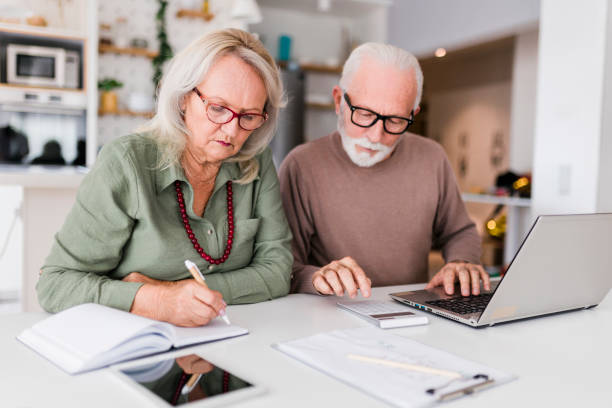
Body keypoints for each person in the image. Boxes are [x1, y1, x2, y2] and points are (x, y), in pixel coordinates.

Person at [37, 29, 292, 327]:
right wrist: (154, 302)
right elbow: (55, 284)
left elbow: (278, 271)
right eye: (219, 109)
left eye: (248, 117)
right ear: (184, 98)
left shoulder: (256, 159)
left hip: (229, 342)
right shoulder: (127, 162)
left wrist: (177, 293)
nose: (232, 131)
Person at [279, 42, 489, 299]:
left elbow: (460, 231)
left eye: (396, 120)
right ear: (338, 101)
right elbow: (283, 267)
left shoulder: (432, 157)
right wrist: (317, 277)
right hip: (330, 313)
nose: (376, 136)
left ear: (413, 114)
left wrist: (461, 262)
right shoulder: (301, 165)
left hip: (411, 312)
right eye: (365, 114)